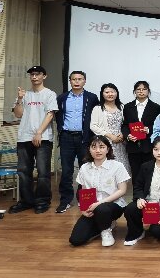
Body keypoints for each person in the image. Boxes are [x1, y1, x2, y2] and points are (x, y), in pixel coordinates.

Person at [9, 65, 58, 214]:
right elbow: (18, 114)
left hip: (43, 138)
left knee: (43, 172)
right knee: (23, 171)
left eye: (37, 74)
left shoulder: (49, 94)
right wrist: (19, 99)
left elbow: (50, 114)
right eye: (32, 75)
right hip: (24, 137)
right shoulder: (25, 94)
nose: (34, 77)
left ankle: (42, 201)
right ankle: (26, 201)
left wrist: (39, 132)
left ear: (44, 76)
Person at [69, 135, 130, 247]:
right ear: (89, 149)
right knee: (76, 240)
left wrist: (99, 203)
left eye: (101, 147)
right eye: (94, 147)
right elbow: (84, 191)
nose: (98, 150)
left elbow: (122, 190)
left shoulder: (117, 166)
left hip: (113, 206)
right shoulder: (84, 168)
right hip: (92, 208)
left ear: (108, 149)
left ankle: (106, 231)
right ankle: (104, 224)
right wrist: (83, 209)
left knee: (102, 208)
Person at [55, 71, 99, 214]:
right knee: (66, 170)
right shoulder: (62, 98)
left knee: (85, 169)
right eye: (74, 79)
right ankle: (65, 200)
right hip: (66, 137)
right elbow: (57, 115)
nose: (77, 82)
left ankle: (84, 199)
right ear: (70, 81)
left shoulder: (92, 97)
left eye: (80, 79)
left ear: (84, 81)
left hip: (84, 138)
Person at [121, 81, 160, 184]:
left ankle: (148, 194)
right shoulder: (128, 107)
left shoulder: (155, 107)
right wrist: (128, 135)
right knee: (135, 174)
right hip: (133, 146)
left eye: (144, 89)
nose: (141, 91)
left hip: (148, 146)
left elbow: (159, 126)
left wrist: (148, 130)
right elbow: (125, 125)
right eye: (138, 89)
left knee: (149, 174)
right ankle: (137, 194)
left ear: (148, 91)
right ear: (134, 91)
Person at [90, 83, 131, 176]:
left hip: (121, 142)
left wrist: (123, 134)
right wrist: (110, 136)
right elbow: (93, 126)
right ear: (102, 94)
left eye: (112, 92)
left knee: (121, 170)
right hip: (106, 142)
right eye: (107, 92)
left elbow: (127, 123)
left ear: (116, 93)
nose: (110, 94)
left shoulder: (122, 107)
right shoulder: (98, 108)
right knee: (107, 170)